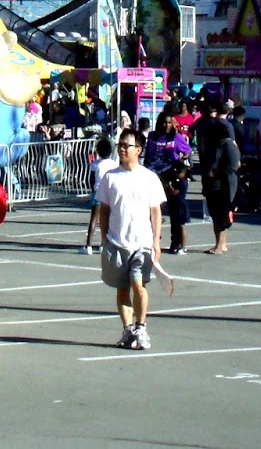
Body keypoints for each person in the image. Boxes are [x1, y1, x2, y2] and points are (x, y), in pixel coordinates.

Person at [97, 128, 166, 350]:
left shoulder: (149, 178)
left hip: (142, 243)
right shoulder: (110, 177)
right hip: (117, 241)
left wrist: (156, 241)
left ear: (139, 149)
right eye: (120, 145)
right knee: (122, 288)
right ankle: (127, 330)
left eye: (127, 145)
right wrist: (105, 237)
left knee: (139, 284)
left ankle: (141, 327)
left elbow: (156, 212)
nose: (122, 149)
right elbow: (104, 209)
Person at [143, 112, 193, 254]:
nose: (167, 125)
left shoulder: (176, 137)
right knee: (151, 210)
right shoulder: (152, 136)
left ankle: (176, 243)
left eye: (170, 123)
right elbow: (148, 156)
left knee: (175, 212)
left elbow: (188, 151)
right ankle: (152, 240)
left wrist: (183, 158)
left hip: (173, 177)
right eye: (164, 122)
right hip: (155, 177)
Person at [201, 104, 241, 254]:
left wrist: (217, 172)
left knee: (222, 212)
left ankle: (221, 244)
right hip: (213, 183)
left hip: (225, 183)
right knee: (214, 213)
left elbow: (235, 165)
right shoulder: (213, 146)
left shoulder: (228, 144)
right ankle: (218, 243)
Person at [81, 135, 118, 255]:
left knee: (94, 219)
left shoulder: (95, 164)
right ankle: (104, 245)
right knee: (106, 220)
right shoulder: (114, 164)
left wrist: (92, 189)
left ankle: (89, 246)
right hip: (110, 192)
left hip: (97, 192)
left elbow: (91, 180)